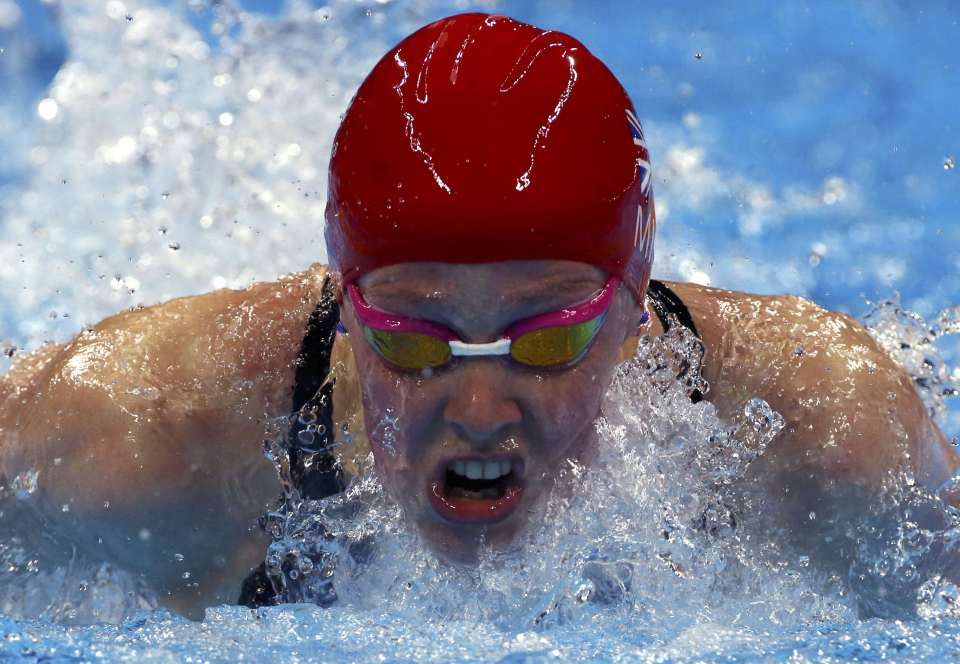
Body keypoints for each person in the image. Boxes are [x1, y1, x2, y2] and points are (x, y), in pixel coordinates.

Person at [1, 13, 957, 615]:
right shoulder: (140, 442)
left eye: (550, 338)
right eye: (415, 342)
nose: (483, 411)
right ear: (344, 291)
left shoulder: (828, 440)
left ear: (633, 291)